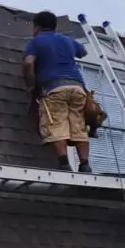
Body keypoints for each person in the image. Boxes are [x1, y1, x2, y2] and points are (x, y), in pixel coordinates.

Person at [22, 10, 92, 172]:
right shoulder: (67, 40)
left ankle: (64, 164)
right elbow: (83, 52)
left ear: (37, 27)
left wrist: (30, 83)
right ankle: (85, 165)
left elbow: (28, 63)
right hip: (77, 87)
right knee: (78, 126)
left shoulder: (36, 42)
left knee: (55, 123)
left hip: (54, 87)